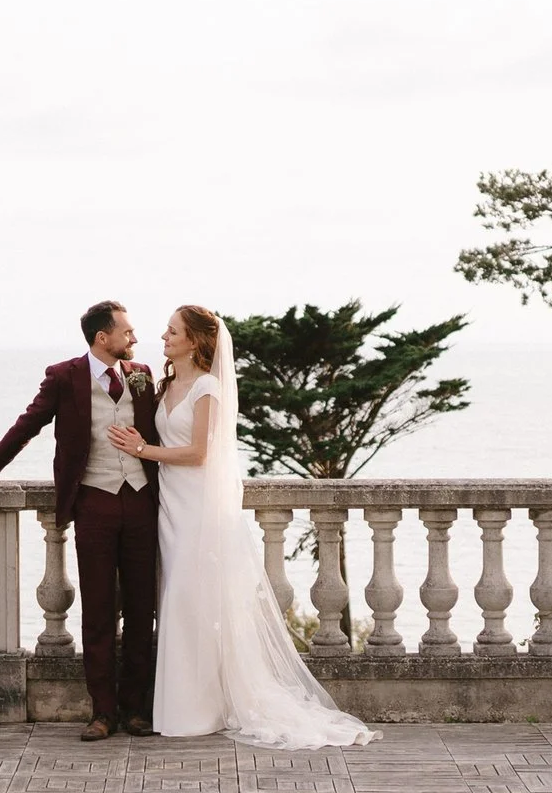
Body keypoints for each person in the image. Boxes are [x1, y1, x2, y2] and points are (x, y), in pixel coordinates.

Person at [109, 306, 377, 749]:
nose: (163, 336)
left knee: (189, 598)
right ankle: (182, 705)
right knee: (176, 600)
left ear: (194, 341)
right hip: (168, 506)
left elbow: (200, 453)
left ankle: (197, 710)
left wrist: (142, 450)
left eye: (172, 331)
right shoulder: (168, 384)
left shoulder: (208, 387)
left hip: (197, 506)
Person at [0, 300, 162, 740]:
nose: (134, 339)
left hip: (142, 501)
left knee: (143, 610)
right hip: (94, 504)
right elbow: (28, 424)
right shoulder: (65, 376)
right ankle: (103, 713)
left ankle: (137, 709)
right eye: (127, 332)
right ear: (102, 337)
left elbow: (161, 432)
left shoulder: (142, 374)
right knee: (99, 610)